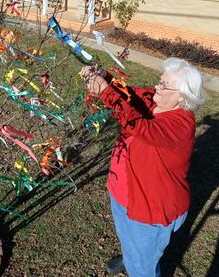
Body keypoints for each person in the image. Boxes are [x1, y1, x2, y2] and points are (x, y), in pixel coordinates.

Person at [80, 58, 205, 277]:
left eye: (164, 85)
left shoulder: (180, 124)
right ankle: (132, 256)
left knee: (143, 267)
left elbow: (137, 125)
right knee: (128, 239)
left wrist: (105, 91)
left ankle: (139, 264)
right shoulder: (157, 102)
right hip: (122, 193)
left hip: (150, 208)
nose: (157, 86)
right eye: (160, 81)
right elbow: (131, 94)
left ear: (182, 97)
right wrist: (104, 76)